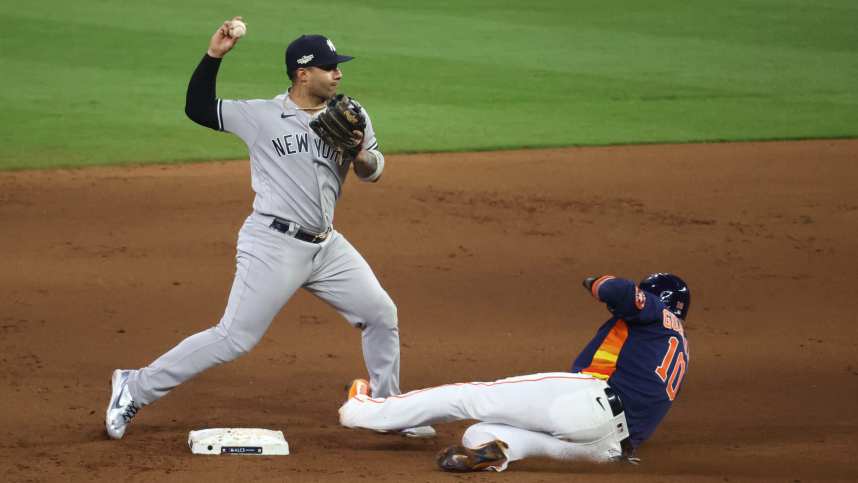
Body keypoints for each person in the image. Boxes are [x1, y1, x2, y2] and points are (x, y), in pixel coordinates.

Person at [105, 17, 434, 440]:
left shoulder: (351, 115)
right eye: (329, 67)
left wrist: (356, 153)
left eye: (338, 65)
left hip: (326, 246)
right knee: (233, 338)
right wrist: (214, 56)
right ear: (302, 74)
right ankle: (133, 386)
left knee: (380, 314)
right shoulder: (261, 116)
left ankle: (389, 408)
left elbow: (373, 170)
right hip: (273, 243)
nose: (339, 73)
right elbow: (198, 108)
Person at [339, 273, 691, 472]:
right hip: (610, 447)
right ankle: (499, 453)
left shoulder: (655, 312)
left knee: (469, 397)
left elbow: (618, 291)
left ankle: (362, 412)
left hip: (589, 399)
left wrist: (595, 281)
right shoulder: (680, 347)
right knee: (479, 432)